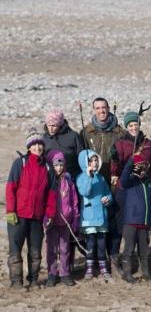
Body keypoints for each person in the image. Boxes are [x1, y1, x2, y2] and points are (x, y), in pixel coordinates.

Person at [109, 110, 151, 272]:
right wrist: (115, 159)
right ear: (126, 127)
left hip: (143, 189)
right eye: (130, 125)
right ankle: (116, 258)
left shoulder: (148, 144)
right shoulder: (120, 143)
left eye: (136, 124)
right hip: (124, 189)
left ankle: (143, 260)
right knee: (120, 225)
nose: (133, 127)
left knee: (142, 224)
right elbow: (114, 170)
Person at [6, 128, 56, 290]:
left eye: (40, 144)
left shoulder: (47, 168)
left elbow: (51, 193)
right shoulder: (19, 163)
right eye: (34, 145)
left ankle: (33, 280)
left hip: (37, 216)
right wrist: (11, 211)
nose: (37, 148)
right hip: (19, 215)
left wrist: (49, 213)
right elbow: (10, 188)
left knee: (35, 252)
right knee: (15, 250)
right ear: (28, 147)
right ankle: (16, 281)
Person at [119, 154, 151, 283]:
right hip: (131, 222)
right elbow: (123, 178)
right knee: (129, 249)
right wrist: (130, 162)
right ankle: (127, 273)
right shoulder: (129, 181)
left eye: (144, 167)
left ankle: (146, 273)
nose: (142, 170)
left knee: (144, 250)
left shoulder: (149, 181)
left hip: (145, 222)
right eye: (139, 167)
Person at [76, 150, 113, 280]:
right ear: (86, 163)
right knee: (90, 244)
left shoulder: (101, 178)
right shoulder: (81, 177)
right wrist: (89, 176)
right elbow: (85, 191)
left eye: (96, 160)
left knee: (102, 244)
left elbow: (108, 193)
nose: (95, 163)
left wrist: (108, 199)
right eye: (91, 161)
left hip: (101, 218)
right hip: (88, 219)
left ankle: (103, 268)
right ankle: (89, 269)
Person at [45, 150, 80, 287]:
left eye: (61, 165)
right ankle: (52, 274)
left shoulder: (68, 181)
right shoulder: (49, 182)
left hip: (66, 222)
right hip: (52, 221)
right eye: (56, 165)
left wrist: (75, 217)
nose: (58, 168)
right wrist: (45, 217)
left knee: (65, 249)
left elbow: (74, 201)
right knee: (51, 249)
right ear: (52, 166)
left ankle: (65, 273)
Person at [80, 97, 124, 186]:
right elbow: (81, 156)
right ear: (94, 110)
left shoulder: (120, 132)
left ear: (108, 108)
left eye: (104, 107)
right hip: (94, 179)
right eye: (98, 108)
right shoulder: (86, 132)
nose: (101, 111)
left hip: (114, 180)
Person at [43, 107, 84, 178]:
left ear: (60, 124)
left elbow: (81, 156)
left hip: (72, 176)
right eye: (48, 125)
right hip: (52, 179)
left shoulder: (73, 136)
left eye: (54, 125)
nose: (51, 128)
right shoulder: (44, 138)